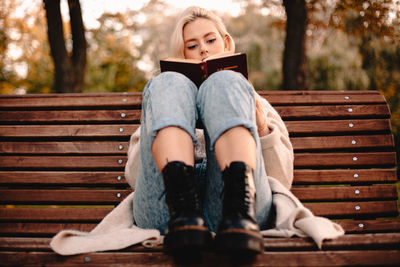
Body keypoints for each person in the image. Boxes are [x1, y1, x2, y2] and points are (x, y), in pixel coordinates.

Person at [125, 6, 294, 254]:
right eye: (192, 46)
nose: (203, 49)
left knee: (225, 81)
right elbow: (135, 178)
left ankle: (238, 211)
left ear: (225, 42)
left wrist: (258, 124)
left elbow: (282, 179)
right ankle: (184, 213)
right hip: (166, 215)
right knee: (165, 81)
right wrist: (164, 124)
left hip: (239, 213)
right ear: (181, 53)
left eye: (210, 40)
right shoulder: (164, 99)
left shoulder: (252, 99)